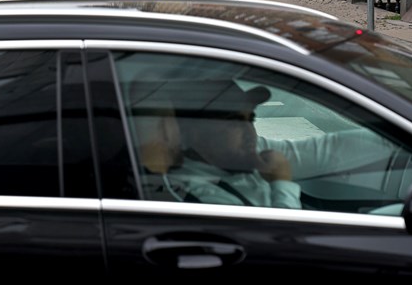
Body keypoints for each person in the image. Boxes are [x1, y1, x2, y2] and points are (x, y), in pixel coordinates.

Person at [147, 81, 397, 210]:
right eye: (233, 123)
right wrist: (282, 183)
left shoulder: (232, 154)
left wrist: (401, 137)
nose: (249, 132)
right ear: (195, 134)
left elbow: (325, 151)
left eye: (250, 119)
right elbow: (285, 248)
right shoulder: (204, 196)